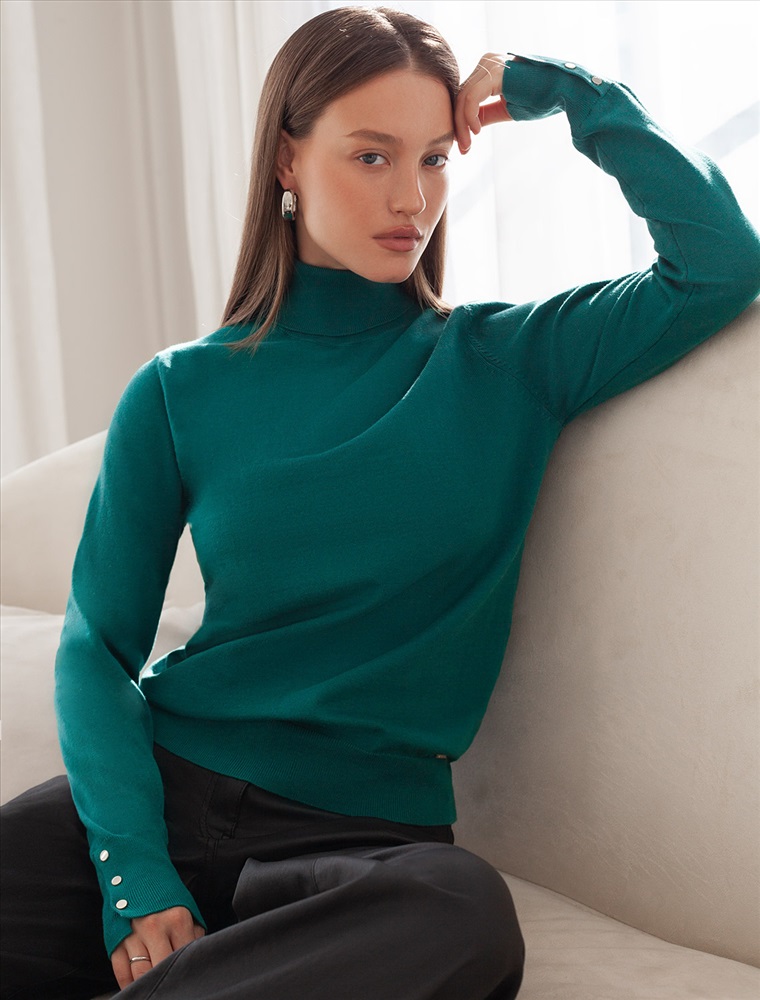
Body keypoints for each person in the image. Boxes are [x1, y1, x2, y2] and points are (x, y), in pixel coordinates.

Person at [2, 6, 759, 1000]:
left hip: (359, 845)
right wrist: (133, 875)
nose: (413, 197)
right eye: (372, 157)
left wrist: (567, 92)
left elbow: (719, 262)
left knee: (462, 914)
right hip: (163, 793)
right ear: (287, 158)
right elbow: (98, 649)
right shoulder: (181, 390)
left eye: (435, 159)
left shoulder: (507, 360)